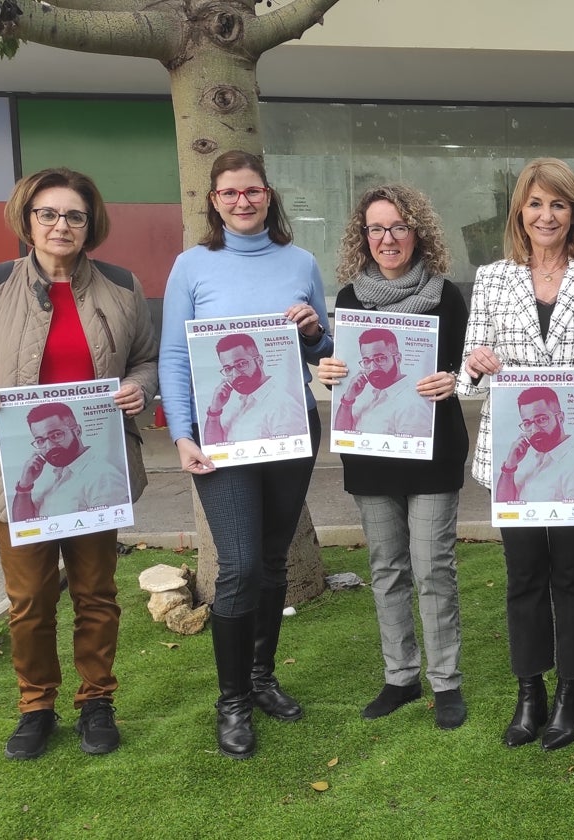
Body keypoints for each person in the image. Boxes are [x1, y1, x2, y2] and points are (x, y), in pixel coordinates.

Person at [0, 167, 158, 760]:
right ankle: (36, 705)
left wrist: (141, 388)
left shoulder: (120, 285)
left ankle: (97, 701)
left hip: (96, 466)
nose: (61, 225)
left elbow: (145, 359)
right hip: (16, 471)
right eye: (48, 214)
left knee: (95, 592)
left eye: (74, 215)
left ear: (91, 224)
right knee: (31, 598)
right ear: (28, 219)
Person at [459, 158, 574, 751]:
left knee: (573, 574)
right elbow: (468, 378)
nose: (547, 215)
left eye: (558, 204)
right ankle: (528, 690)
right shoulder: (491, 278)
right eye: (536, 204)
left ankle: (571, 691)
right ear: (520, 211)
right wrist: (477, 366)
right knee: (523, 576)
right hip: (512, 456)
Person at [159, 150, 331, 759]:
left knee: (272, 562)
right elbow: (176, 358)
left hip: (290, 434)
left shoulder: (301, 261)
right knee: (235, 566)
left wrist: (314, 332)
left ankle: (262, 679)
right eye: (230, 193)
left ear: (268, 194)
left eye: (252, 190)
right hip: (220, 439)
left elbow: (323, 350)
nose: (242, 201)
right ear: (214, 200)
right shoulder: (192, 266)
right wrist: (182, 433)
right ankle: (231, 700)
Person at [317, 184, 469, 729]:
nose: (387, 239)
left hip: (433, 451)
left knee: (433, 567)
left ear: (417, 233)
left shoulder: (448, 296)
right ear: (364, 237)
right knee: (386, 568)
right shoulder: (349, 301)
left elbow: (465, 370)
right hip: (373, 454)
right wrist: (330, 374)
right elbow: (348, 376)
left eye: (399, 227)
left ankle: (446, 681)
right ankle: (400, 677)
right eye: (376, 229)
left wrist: (453, 380)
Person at [12, 402, 131, 520]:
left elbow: (107, 525)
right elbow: (25, 525)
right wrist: (24, 486)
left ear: (77, 431)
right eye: (40, 441)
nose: (49, 447)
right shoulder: (48, 478)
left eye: (56, 435)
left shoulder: (103, 475)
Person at [496, 386, 574, 503]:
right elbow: (504, 506)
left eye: (541, 419)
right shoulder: (530, 461)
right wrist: (509, 468)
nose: (534, 430)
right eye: (527, 423)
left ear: (560, 418)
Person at [202, 332, 306, 444]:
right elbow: (214, 448)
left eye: (241, 364)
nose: (235, 374)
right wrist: (214, 411)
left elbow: (290, 454)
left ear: (259, 361)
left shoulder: (282, 405)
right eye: (228, 369)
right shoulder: (233, 405)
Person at [334, 327, 433, 437]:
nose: (372, 368)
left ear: (398, 359)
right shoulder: (370, 396)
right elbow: (341, 437)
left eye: (380, 358)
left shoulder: (412, 406)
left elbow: (412, 452)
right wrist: (348, 400)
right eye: (366, 361)